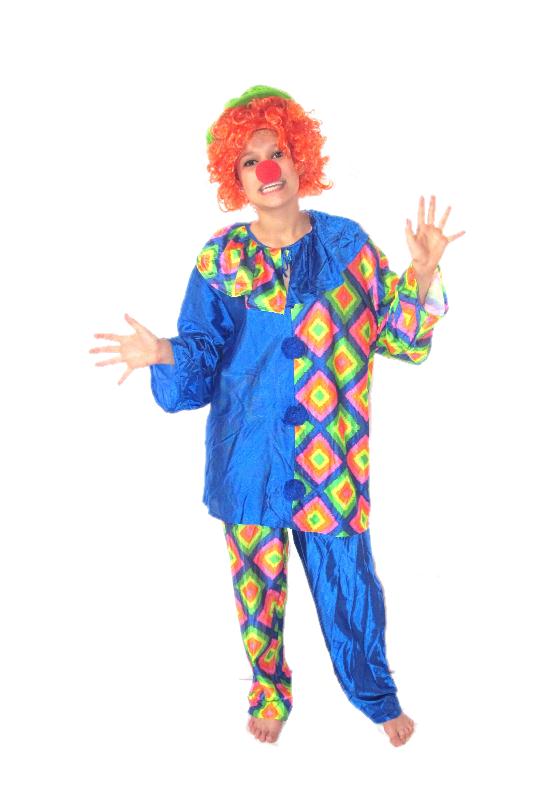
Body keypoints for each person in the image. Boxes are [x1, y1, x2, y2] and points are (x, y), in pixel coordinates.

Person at [90, 85, 465, 747]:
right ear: (234, 176)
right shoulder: (221, 259)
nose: (267, 168)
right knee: (257, 588)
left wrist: (422, 270)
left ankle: (374, 692)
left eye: (278, 152)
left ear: (299, 159)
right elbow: (201, 356)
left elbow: (400, 337)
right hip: (249, 458)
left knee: (348, 580)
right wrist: (163, 353)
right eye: (249, 160)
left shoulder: (347, 245)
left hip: (331, 457)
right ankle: (268, 688)